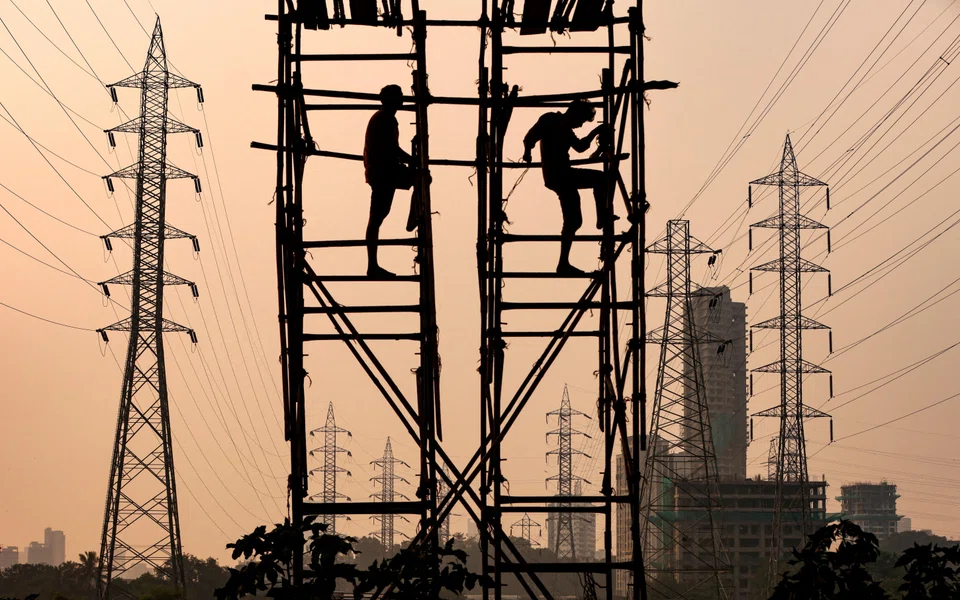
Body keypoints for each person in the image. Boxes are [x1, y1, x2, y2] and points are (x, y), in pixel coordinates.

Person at [522, 99, 612, 275]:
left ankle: (563, 263)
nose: (580, 125)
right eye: (582, 120)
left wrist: (595, 132)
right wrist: (527, 152)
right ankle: (602, 216)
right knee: (601, 179)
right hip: (559, 174)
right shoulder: (550, 120)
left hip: (561, 176)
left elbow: (579, 147)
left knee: (574, 220)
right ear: (575, 113)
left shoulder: (566, 130)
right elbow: (530, 137)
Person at [363, 84, 414, 277]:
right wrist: (411, 160)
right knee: (376, 218)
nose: (402, 99)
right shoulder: (385, 119)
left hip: (383, 172)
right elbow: (391, 149)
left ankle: (373, 265)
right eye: (399, 96)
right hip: (384, 173)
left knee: (377, 217)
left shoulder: (384, 118)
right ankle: (372, 266)